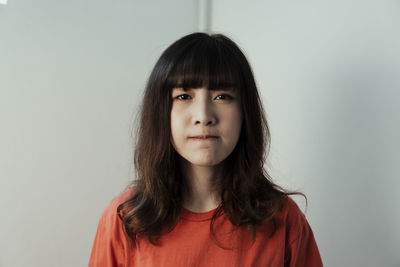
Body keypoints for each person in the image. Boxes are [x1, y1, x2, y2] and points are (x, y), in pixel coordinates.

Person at [88, 32, 323, 266]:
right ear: (161, 113)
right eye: (183, 96)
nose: (203, 116)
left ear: (245, 113)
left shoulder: (283, 220)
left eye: (222, 96)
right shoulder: (124, 220)